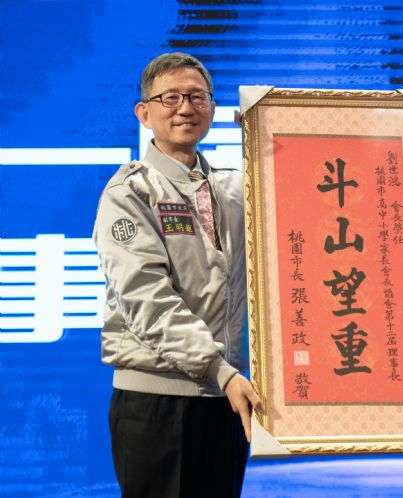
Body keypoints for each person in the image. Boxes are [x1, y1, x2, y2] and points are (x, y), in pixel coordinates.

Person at [94, 52, 262, 498]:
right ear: (144, 113)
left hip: (225, 399)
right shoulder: (130, 192)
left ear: (213, 108)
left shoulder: (237, 190)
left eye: (196, 97)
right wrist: (220, 370)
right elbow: (146, 299)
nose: (185, 108)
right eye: (170, 98)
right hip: (155, 404)